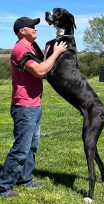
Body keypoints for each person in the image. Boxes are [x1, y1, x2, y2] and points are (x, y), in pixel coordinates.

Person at [0, 17, 67, 198]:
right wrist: (56, 53)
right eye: (32, 27)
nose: (35, 28)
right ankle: (4, 186)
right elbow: (40, 71)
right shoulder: (20, 49)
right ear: (22, 31)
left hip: (34, 104)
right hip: (24, 106)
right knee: (21, 148)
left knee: (32, 146)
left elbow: (43, 69)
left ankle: (25, 179)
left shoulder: (30, 48)